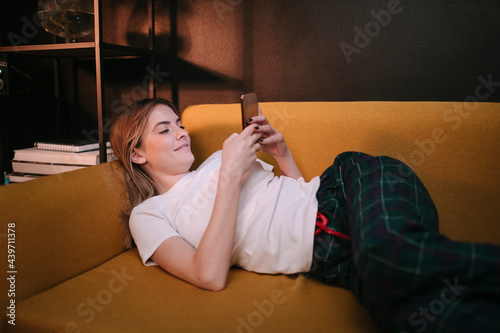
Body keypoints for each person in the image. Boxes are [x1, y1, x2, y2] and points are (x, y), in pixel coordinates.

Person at [109, 97, 500, 333]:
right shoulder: (150, 214)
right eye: (165, 129)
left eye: (179, 123)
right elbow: (208, 274)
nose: (181, 132)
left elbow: (301, 197)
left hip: (351, 187)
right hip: (337, 256)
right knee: (421, 318)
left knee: (387, 256)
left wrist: (281, 155)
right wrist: (230, 173)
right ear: (137, 153)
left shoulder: (215, 160)